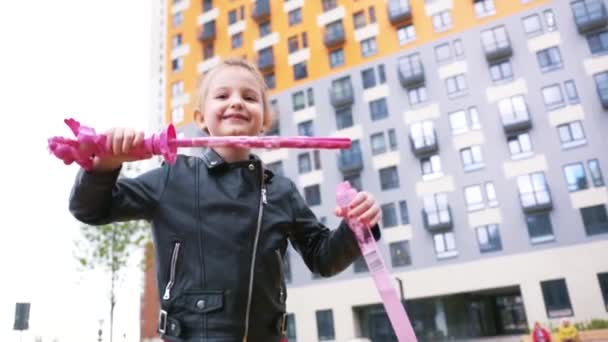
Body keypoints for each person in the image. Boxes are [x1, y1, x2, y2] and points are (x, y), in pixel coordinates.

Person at [69, 58, 382, 342]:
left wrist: (356, 228)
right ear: (201, 118)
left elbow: (323, 258)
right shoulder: (172, 177)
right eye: (222, 96)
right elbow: (91, 208)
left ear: (265, 121)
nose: (236, 103)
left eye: (249, 97)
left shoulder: (281, 191)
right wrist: (105, 166)